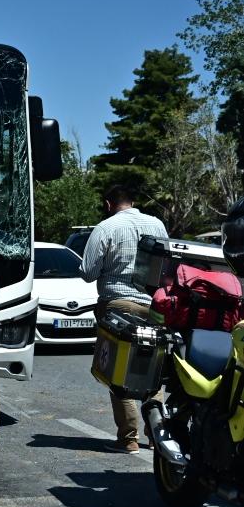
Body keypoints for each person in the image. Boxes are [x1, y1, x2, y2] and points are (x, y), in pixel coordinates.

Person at [80, 184, 168, 454]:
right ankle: (158, 435)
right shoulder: (157, 225)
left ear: (108, 205)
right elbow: (167, 266)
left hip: (118, 305)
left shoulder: (106, 228)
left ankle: (128, 439)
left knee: (119, 371)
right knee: (152, 370)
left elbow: (88, 272)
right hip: (154, 306)